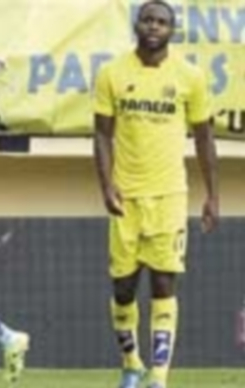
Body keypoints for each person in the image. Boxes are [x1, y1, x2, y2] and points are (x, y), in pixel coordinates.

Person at [92, 2, 218, 388]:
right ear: (136, 25)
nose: (154, 27)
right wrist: (107, 185)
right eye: (148, 19)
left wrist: (212, 195)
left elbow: (204, 137)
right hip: (126, 197)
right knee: (124, 286)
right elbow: (101, 134)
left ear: (172, 30)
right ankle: (131, 363)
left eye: (162, 22)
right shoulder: (112, 73)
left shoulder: (190, 77)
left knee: (164, 282)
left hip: (169, 195)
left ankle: (158, 376)